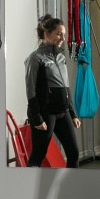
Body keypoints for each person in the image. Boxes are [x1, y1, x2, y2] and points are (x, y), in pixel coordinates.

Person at [24, 15, 81, 167]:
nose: (62, 37)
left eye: (64, 34)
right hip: (45, 113)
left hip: (63, 112)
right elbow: (30, 90)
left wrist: (72, 113)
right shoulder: (35, 58)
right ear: (46, 34)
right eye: (58, 34)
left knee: (73, 153)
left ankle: (69, 188)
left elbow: (65, 88)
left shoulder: (61, 58)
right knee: (39, 154)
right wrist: (36, 117)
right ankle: (26, 186)